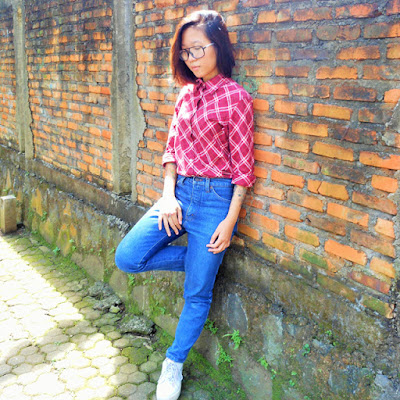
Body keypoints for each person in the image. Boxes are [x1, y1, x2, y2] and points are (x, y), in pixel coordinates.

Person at [115, 10, 255, 400]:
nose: (191, 58)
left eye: (198, 49)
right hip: (177, 196)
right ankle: (200, 260)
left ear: (218, 47)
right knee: (128, 257)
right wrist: (167, 195)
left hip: (215, 201)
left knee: (197, 293)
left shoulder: (236, 97)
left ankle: (173, 363)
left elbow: (243, 168)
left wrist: (230, 220)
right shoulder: (185, 95)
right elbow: (171, 151)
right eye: (185, 52)